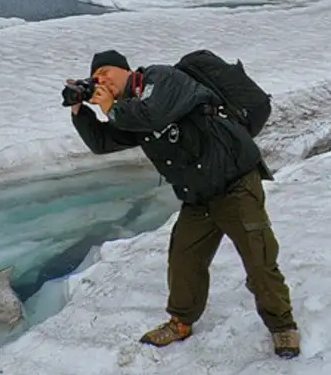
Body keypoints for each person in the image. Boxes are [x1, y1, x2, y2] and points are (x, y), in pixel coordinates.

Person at [68, 49, 300, 359]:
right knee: (183, 261)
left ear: (126, 70)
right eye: (97, 77)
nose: (102, 79)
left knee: (258, 257)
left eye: (107, 71)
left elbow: (155, 114)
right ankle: (181, 322)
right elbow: (103, 142)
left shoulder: (162, 78)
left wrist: (112, 107)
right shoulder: (128, 109)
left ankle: (282, 325)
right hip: (197, 194)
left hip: (235, 183)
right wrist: (79, 111)